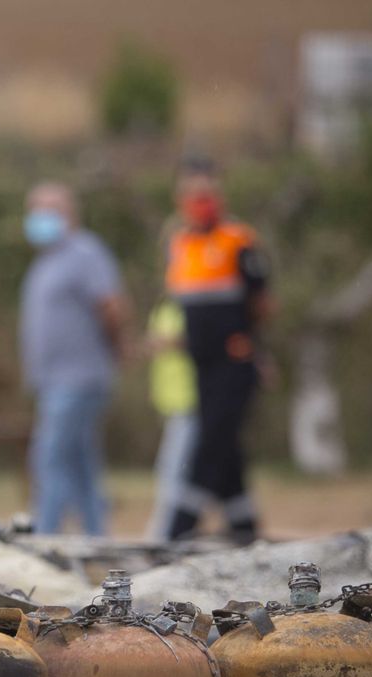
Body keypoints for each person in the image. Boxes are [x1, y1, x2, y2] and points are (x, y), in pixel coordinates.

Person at [163, 162, 272, 542]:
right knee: (225, 450)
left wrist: (254, 345)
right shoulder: (178, 245)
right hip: (200, 366)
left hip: (235, 361)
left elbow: (262, 301)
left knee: (209, 444)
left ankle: (176, 530)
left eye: (207, 196)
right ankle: (245, 529)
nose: (200, 204)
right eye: (193, 197)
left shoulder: (238, 240)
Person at [18, 182, 129, 536]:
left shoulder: (85, 253)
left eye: (48, 210)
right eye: (35, 210)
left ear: (70, 213)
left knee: (50, 458)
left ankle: (46, 539)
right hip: (53, 380)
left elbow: (111, 305)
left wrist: (116, 347)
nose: (40, 218)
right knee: (80, 463)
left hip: (78, 378)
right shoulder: (46, 261)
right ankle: (96, 538)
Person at [144, 298, 199, 539]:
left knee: (173, 468)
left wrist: (171, 342)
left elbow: (202, 339)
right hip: (171, 403)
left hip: (193, 400)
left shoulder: (194, 308)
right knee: (176, 468)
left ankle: (163, 533)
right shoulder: (162, 309)